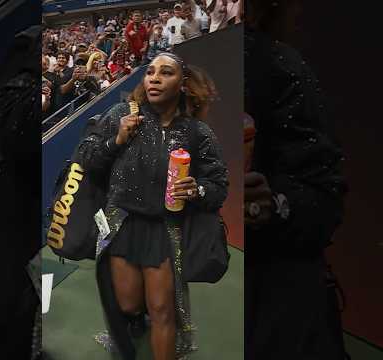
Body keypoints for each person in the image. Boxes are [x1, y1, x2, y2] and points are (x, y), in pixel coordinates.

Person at [78, 52, 229, 360]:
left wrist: (197, 189)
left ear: (183, 84)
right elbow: (87, 160)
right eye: (150, 72)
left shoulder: (197, 133)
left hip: (165, 229)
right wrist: (116, 140)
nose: (155, 78)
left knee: (163, 311)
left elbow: (218, 186)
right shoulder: (121, 114)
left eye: (166, 72)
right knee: (129, 304)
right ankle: (136, 317)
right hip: (121, 224)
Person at [244, 1, 348, 359]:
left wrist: (274, 205)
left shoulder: (276, 64)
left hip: (279, 301)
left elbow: (325, 196)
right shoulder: (190, 69)